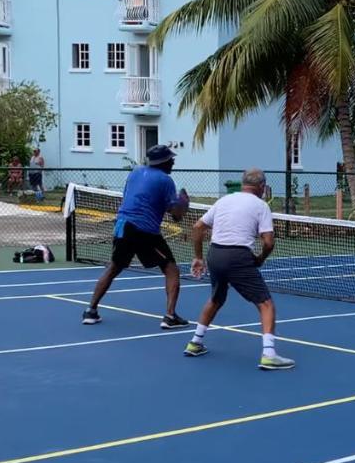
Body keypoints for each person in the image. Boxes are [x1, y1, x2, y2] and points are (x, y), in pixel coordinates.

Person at [183, 168, 294, 370]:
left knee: (216, 299)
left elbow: (198, 227)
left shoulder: (224, 201)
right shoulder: (261, 206)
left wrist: (198, 257)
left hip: (215, 254)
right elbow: (269, 242)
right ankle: (269, 354)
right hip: (238, 257)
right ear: (261, 187)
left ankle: (195, 342)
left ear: (244, 184)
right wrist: (260, 259)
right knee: (266, 304)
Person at [82, 145, 191, 328]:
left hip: (123, 226)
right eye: (171, 159)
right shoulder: (166, 180)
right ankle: (170, 316)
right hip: (144, 231)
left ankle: (90, 311)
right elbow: (176, 216)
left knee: (114, 267)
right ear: (164, 162)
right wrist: (184, 204)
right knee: (171, 269)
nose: (173, 161)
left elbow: (131, 198)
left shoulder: (134, 173)